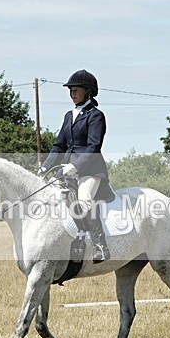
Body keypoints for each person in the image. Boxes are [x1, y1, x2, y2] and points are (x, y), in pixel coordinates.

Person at [39, 69, 110, 263]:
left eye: (76, 89)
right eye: (70, 90)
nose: (72, 93)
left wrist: (75, 167)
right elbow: (59, 145)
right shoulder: (68, 115)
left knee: (84, 200)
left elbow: (94, 146)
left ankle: (100, 246)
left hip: (91, 170)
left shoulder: (96, 116)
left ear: (88, 91)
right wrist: (45, 167)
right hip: (67, 169)